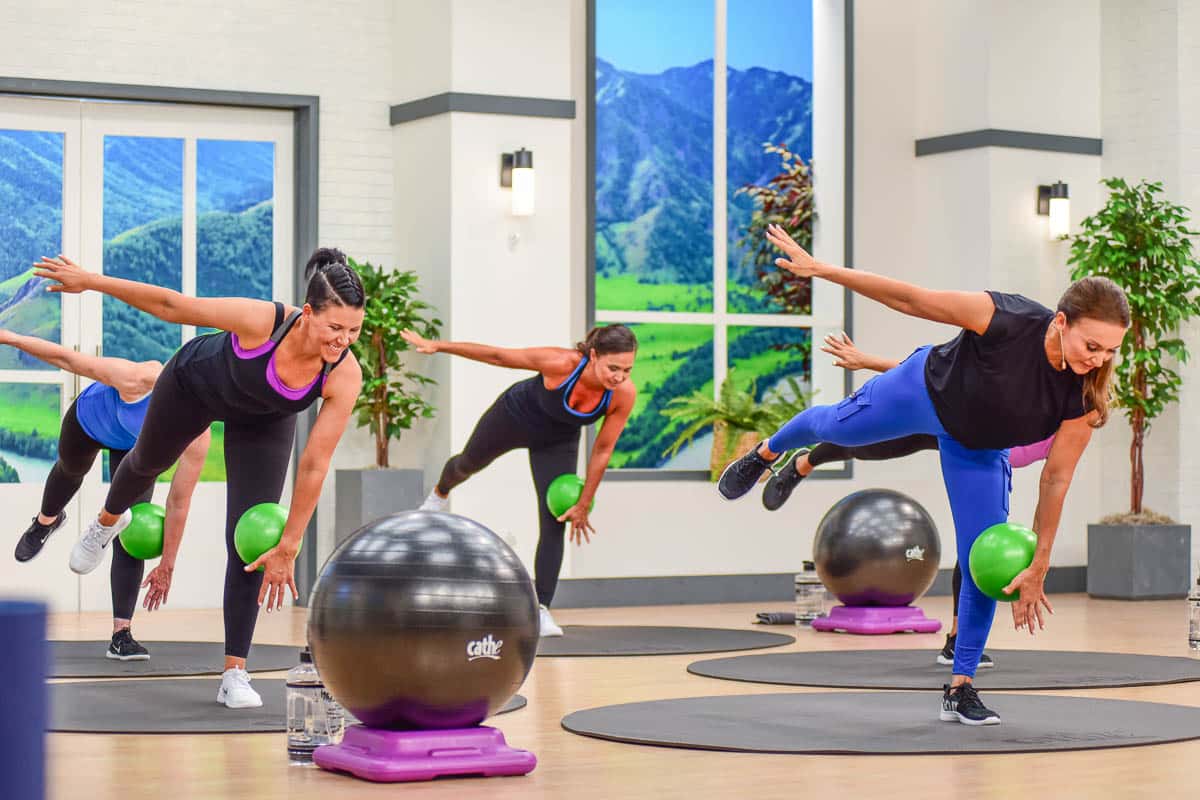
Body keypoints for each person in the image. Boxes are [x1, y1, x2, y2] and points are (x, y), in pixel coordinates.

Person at [719, 224, 1128, 725]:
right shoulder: (1007, 317)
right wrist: (822, 270)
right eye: (1093, 345)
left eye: (1111, 351)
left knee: (982, 558)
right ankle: (765, 452)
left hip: (978, 447)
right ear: (1061, 321)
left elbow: (1055, 480)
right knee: (836, 428)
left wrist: (1040, 562)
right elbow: (912, 299)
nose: (1099, 360)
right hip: (923, 391)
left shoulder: (1083, 398)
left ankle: (961, 686)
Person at [33, 248, 364, 708]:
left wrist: (288, 543)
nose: (343, 340)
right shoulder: (264, 321)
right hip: (194, 386)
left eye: (354, 330)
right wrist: (90, 281)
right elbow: (175, 306)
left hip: (264, 419)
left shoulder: (344, 375)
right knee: (146, 461)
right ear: (308, 314)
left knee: (250, 538)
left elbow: (314, 463)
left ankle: (235, 674)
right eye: (334, 327)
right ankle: (105, 523)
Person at [765, 333, 1058, 669]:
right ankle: (803, 463)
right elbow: (937, 379)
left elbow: (1051, 485)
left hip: (979, 456)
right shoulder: (1030, 392)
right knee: (870, 442)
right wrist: (867, 361)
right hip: (954, 420)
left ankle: (955, 640)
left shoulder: (1064, 434)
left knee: (977, 545)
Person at [403, 325, 637, 637]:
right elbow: (499, 357)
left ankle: (541, 609)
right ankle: (438, 495)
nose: (619, 377)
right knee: (467, 463)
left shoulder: (622, 394)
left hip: (557, 441)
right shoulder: (561, 363)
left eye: (627, 369)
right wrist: (439, 346)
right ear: (593, 355)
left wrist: (583, 503)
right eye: (613, 368)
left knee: (556, 518)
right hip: (515, 416)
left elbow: (603, 450)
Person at [5, 329, 210, 661]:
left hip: (134, 451)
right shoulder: (139, 378)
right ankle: (45, 522)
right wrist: (8, 338)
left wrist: (167, 564)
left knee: (132, 530)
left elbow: (179, 501)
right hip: (89, 423)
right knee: (71, 471)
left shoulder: (197, 435)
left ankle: (121, 634)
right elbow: (67, 358)